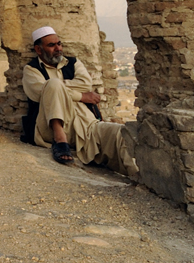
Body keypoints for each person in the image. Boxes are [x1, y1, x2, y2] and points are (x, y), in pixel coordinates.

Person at [23, 26, 135, 175]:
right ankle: (60, 139)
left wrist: (59, 89)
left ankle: (139, 177)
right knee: (53, 84)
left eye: (59, 44)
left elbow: (85, 83)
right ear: (38, 49)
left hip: (86, 126)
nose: (58, 48)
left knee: (119, 133)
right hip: (53, 128)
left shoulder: (73, 63)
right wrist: (81, 96)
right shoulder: (31, 70)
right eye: (51, 45)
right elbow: (40, 93)